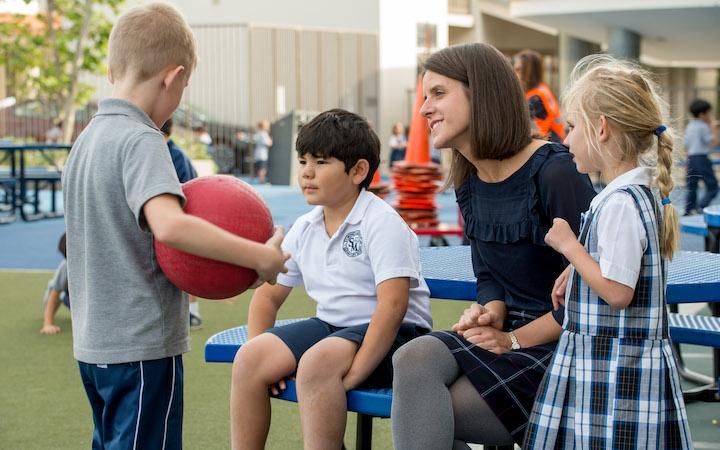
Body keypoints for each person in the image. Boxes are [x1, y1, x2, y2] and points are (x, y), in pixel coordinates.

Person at [62, 4, 288, 449]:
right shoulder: (142, 139)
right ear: (173, 77)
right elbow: (170, 227)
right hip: (141, 346)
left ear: (113, 71)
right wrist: (260, 257)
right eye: (184, 87)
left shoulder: (86, 140)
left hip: (94, 345)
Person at [391, 43, 596, 449]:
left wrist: (513, 340)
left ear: (480, 93)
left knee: (430, 410)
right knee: (412, 359)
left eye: (438, 93)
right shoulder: (469, 180)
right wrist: (492, 310)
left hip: (566, 346)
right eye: (424, 96)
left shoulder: (556, 172)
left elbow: (594, 291)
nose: (424, 109)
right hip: (507, 336)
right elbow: (488, 274)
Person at [230, 109, 432, 450]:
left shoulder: (380, 222)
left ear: (358, 171)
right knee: (250, 359)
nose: (307, 172)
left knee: (316, 364)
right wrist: (262, 354)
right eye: (303, 160)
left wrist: (355, 375)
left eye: (322, 162)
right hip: (333, 328)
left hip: (399, 337)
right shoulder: (305, 227)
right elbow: (267, 296)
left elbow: (393, 306)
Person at [524, 54, 692, 449]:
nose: (565, 140)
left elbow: (618, 292)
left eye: (572, 127)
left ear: (601, 129)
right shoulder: (630, 194)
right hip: (616, 368)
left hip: (616, 374)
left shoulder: (619, 203)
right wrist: (580, 267)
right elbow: (616, 268)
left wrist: (568, 246)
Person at [160, 117, 203, 329]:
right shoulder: (168, 153)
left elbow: (184, 188)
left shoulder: (171, 155)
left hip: (184, 216)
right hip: (180, 216)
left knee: (185, 268)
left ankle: (192, 313)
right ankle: (188, 313)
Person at [513, 49, 565, 143]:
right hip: (554, 139)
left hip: (549, 143)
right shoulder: (542, 88)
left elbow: (535, 131)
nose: (514, 74)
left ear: (528, 71)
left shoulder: (535, 98)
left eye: (518, 69)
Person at [684, 98, 719, 215]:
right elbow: (712, 143)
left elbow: (686, 145)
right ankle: (700, 207)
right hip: (701, 158)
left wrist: (687, 162)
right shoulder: (703, 126)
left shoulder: (690, 126)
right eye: (709, 112)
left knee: (691, 186)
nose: (710, 115)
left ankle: (689, 210)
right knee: (713, 186)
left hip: (691, 159)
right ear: (702, 114)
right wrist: (714, 128)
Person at [40, 233, 70, 335]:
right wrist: (48, 324)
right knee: (57, 295)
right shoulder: (66, 267)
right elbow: (54, 295)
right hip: (64, 292)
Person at [253, 119, 272, 184]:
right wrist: (270, 141)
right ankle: (262, 181)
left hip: (258, 154)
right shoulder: (264, 134)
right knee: (263, 169)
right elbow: (268, 143)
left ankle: (260, 180)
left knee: (260, 168)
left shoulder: (258, 133)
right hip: (262, 155)